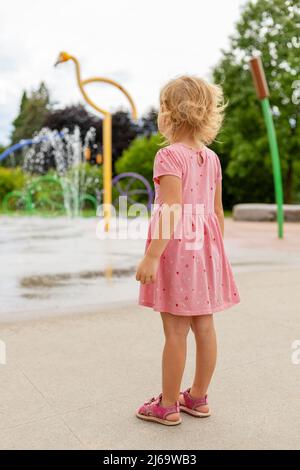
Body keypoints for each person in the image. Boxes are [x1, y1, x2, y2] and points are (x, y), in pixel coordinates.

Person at [135, 75, 241, 426]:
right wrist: (217, 253)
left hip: (178, 251)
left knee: (176, 331)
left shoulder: (168, 156)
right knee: (205, 326)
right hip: (206, 251)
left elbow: (170, 209)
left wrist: (152, 254)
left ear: (168, 114)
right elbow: (216, 211)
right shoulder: (211, 158)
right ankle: (197, 396)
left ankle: (167, 405)